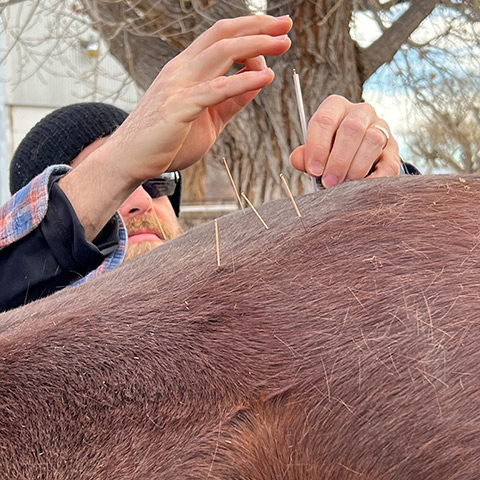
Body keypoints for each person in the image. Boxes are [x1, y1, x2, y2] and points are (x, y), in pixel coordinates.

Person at [0, 14, 413, 312]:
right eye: (117, 192)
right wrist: (114, 168)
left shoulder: (249, 306)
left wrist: (381, 196)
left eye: (155, 180)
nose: (142, 200)